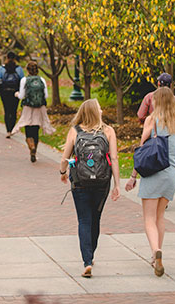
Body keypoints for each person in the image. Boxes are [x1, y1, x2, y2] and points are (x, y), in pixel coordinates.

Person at [125, 87, 175, 277]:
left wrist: (133, 176)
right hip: (170, 174)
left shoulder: (151, 120)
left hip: (153, 172)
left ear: (158, 102)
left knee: (148, 218)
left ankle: (155, 252)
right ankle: (157, 254)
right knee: (160, 217)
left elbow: (142, 150)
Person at [59, 99, 121, 278]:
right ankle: (91, 253)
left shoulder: (75, 131)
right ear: (95, 111)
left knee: (84, 220)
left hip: (80, 182)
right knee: (96, 219)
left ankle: (87, 261)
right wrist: (117, 184)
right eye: (99, 108)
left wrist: (63, 172)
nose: (101, 110)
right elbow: (114, 159)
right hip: (102, 182)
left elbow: (66, 157)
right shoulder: (108, 131)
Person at [12, 61, 55, 162]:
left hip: (28, 107)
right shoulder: (42, 80)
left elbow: (22, 96)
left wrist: (17, 94)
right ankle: (34, 149)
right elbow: (46, 96)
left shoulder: (24, 80)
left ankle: (31, 146)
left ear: (27, 70)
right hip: (39, 108)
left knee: (28, 128)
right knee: (36, 129)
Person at [0, 52, 24, 138]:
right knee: (13, 111)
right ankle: (12, 128)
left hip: (5, 93)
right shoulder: (19, 69)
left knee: (7, 111)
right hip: (15, 93)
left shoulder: (1, 68)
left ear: (6, 57)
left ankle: (8, 130)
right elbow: (22, 81)